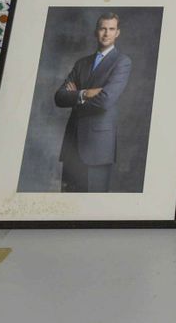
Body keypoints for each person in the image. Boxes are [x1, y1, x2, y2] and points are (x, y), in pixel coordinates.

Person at [52, 12, 133, 192]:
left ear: (117, 33)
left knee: (94, 201)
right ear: (96, 31)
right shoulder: (81, 63)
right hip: (73, 143)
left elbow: (105, 101)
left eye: (111, 29)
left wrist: (75, 98)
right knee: (69, 200)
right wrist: (85, 93)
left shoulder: (122, 62)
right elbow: (59, 97)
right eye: (103, 28)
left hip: (98, 146)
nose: (106, 33)